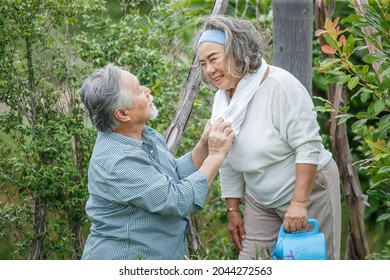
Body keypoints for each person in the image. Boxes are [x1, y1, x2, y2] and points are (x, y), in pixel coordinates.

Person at [195, 15, 341, 260]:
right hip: (260, 199)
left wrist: (298, 203)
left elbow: (308, 146)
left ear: (236, 52)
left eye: (213, 59)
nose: (209, 70)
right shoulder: (224, 100)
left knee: (313, 267)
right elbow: (226, 155)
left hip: (307, 192)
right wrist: (233, 208)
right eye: (202, 64)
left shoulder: (279, 86)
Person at [78, 63, 235, 260]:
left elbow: (173, 176)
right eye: (138, 90)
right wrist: (216, 156)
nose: (147, 91)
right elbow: (178, 200)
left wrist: (203, 146)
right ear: (122, 114)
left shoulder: (144, 134)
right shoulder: (118, 162)